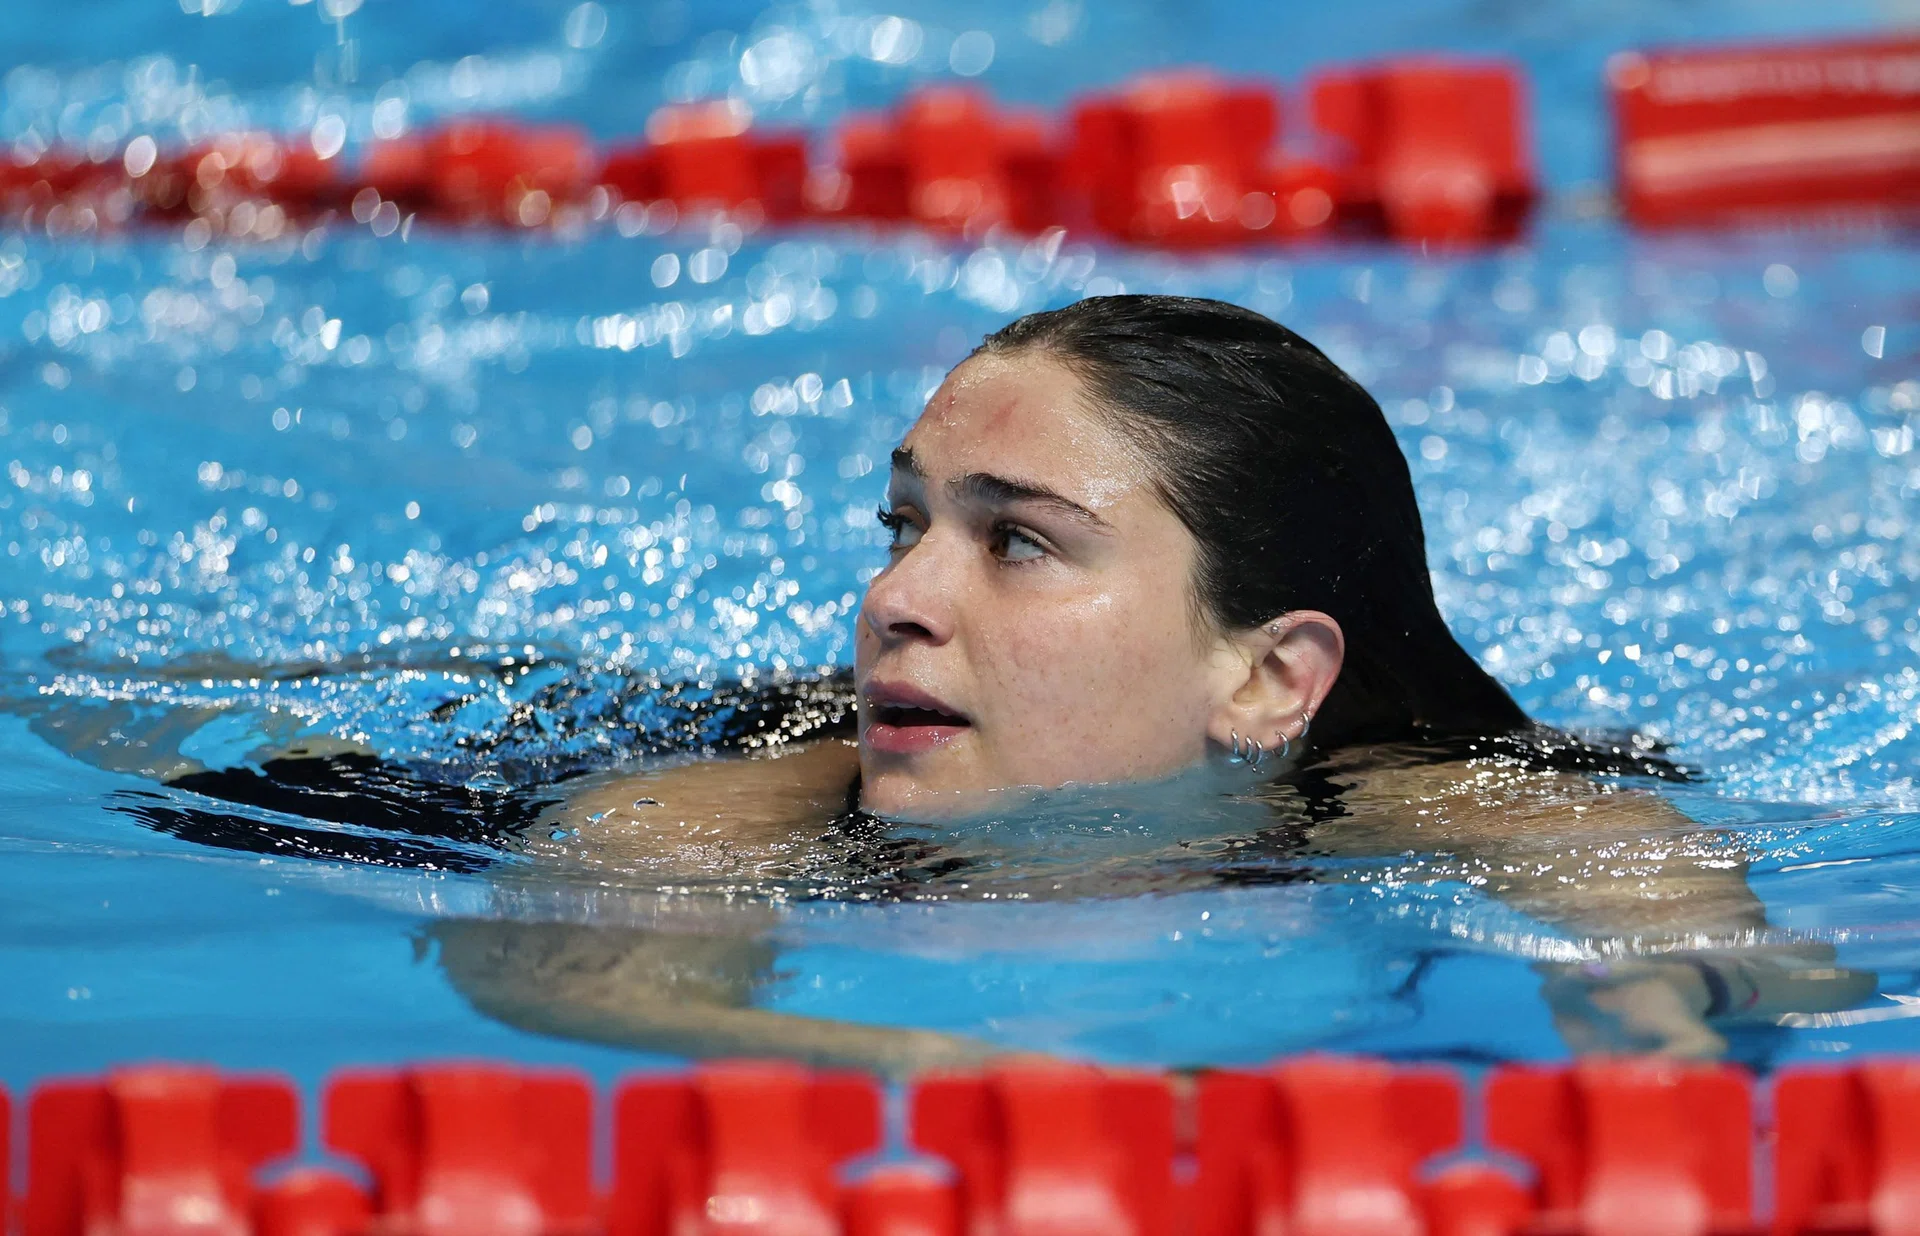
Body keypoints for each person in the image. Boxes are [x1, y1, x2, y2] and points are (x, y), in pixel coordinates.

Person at [24, 294, 1873, 1067]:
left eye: (1019, 542)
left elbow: (1678, 909)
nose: (894, 599)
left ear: (1267, 679)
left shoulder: (1414, 800)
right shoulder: (714, 816)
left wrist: (1662, 1013)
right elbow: (567, 972)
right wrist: (943, 1073)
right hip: (403, 775)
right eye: (904, 525)